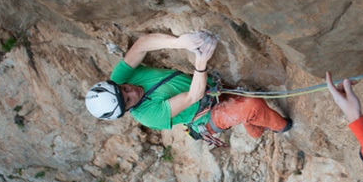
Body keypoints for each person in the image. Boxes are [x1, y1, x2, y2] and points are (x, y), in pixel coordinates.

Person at [85, 31, 292, 140]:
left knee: (248, 110)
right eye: (129, 99)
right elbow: (192, 96)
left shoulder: (120, 77)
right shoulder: (149, 116)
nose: (132, 91)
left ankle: (253, 124)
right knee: (251, 106)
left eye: (124, 89)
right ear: (128, 109)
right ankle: (282, 127)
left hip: (209, 88)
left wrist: (180, 42)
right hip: (206, 113)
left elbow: (142, 44)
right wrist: (201, 63)